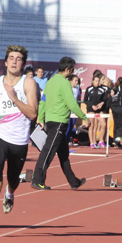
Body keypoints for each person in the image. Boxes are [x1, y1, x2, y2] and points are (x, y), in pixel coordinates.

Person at [0, 45, 38, 221]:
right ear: (5, 62)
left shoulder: (28, 83)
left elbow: (32, 113)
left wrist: (14, 98)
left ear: (23, 64)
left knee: (13, 178)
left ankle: (10, 193)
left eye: (18, 59)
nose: (14, 61)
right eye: (11, 58)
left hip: (19, 138)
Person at [31, 56, 88, 190]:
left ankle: (74, 182)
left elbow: (43, 102)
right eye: (73, 70)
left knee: (63, 155)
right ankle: (37, 179)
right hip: (59, 122)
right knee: (48, 151)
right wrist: (84, 116)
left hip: (51, 121)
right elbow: (71, 103)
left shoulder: (50, 82)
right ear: (67, 69)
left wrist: (41, 118)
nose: (73, 72)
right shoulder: (64, 83)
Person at [84, 70, 109, 149]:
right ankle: (92, 142)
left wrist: (101, 104)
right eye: (96, 81)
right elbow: (85, 100)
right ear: (92, 81)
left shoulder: (102, 90)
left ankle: (100, 141)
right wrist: (92, 106)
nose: (97, 83)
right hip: (90, 109)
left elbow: (104, 99)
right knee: (92, 125)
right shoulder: (89, 89)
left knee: (103, 124)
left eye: (98, 81)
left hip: (98, 110)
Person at [109, 77, 122, 147]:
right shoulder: (121, 89)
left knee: (116, 124)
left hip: (114, 109)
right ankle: (117, 138)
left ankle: (115, 141)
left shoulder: (113, 89)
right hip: (120, 109)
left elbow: (110, 98)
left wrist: (111, 107)